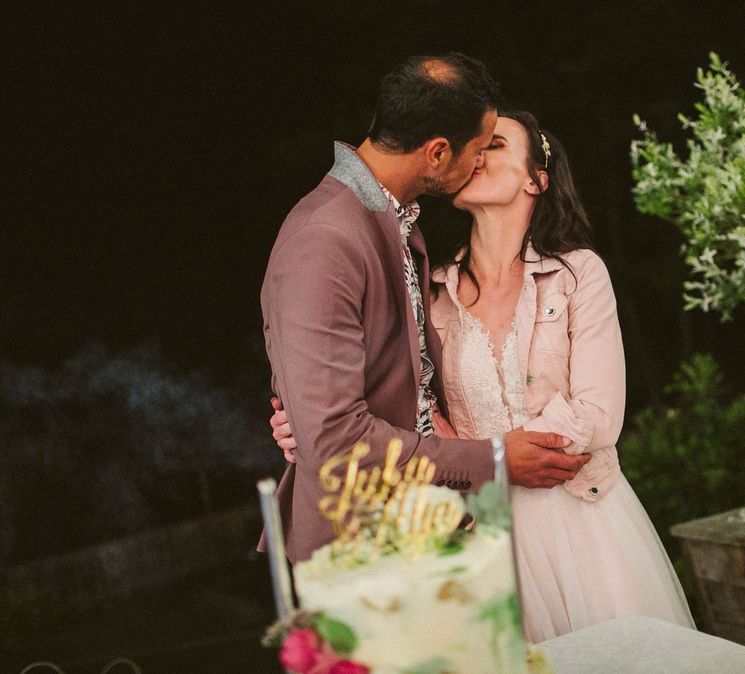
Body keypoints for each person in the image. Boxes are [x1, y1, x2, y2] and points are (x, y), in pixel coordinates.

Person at [272, 111, 694, 642]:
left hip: (579, 518)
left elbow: (599, 416)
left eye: (494, 145)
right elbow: (400, 396)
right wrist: (307, 424)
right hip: (478, 523)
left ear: (535, 179)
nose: (477, 155)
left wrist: (500, 451)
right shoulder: (433, 290)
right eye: (478, 145)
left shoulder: (577, 273)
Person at [260, 53, 586, 564]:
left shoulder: (397, 223)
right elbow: (339, 445)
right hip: (365, 554)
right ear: (437, 153)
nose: (479, 163)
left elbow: (407, 387)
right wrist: (496, 459)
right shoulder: (324, 239)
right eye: (477, 151)